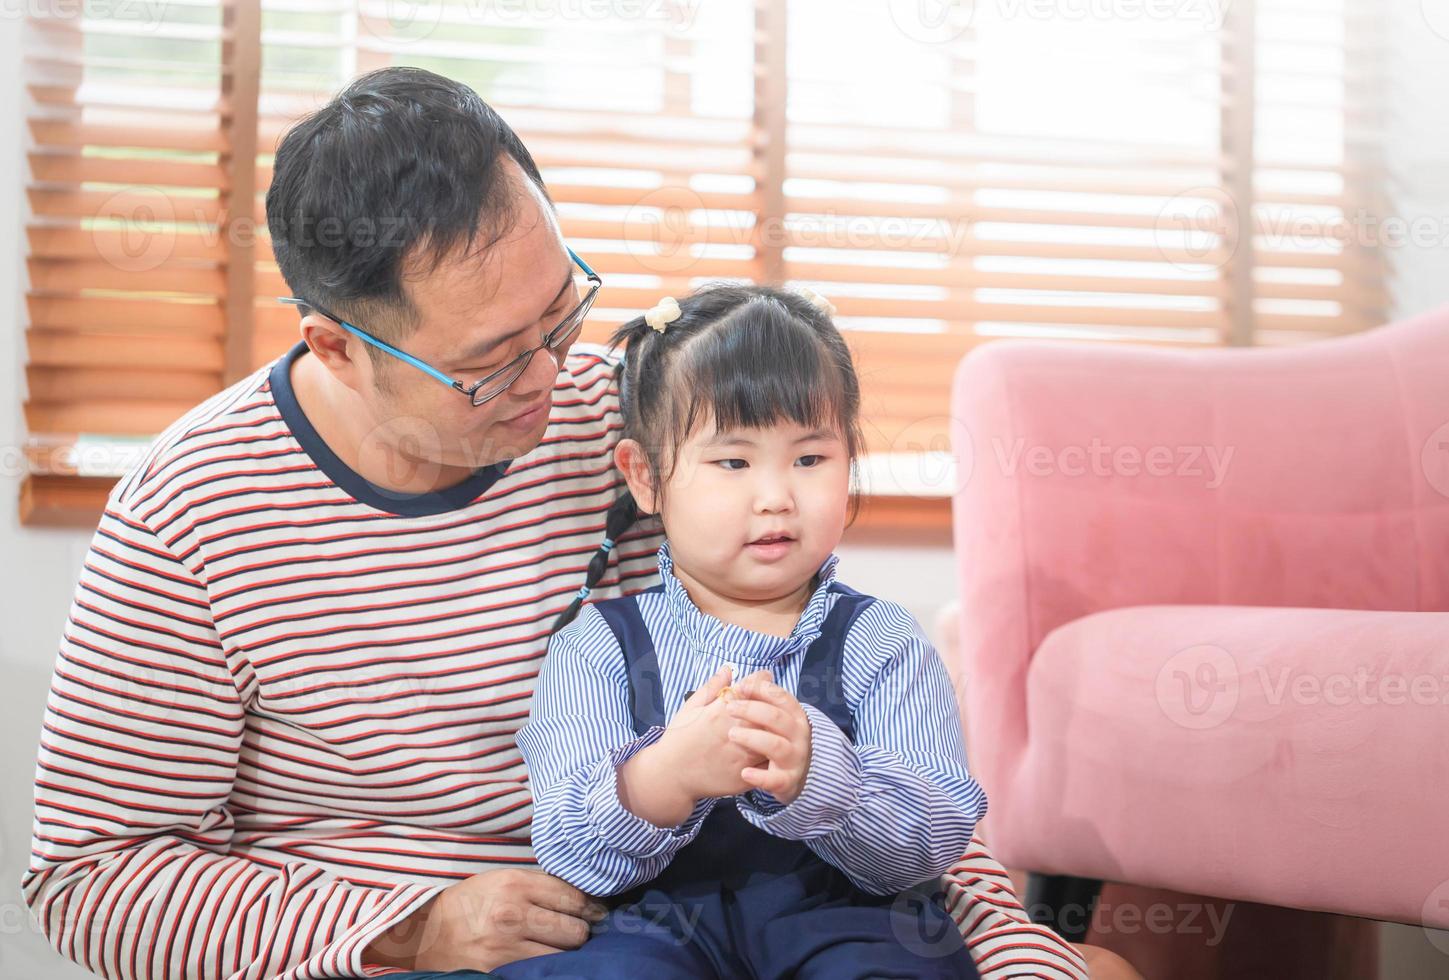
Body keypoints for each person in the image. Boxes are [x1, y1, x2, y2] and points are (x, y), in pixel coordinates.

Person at [20, 67, 1094, 980]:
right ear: (338, 347)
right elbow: (90, 874)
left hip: (700, 917)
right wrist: (412, 930)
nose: (554, 377)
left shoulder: (625, 427)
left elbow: (843, 717)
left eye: (562, 309)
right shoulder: (190, 514)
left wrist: (1019, 953)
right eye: (492, 363)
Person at [487, 284, 985, 979]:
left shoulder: (881, 638)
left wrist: (821, 777)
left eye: (809, 459)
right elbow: (572, 854)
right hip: (655, 921)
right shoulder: (597, 644)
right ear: (645, 477)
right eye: (733, 462)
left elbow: (932, 840)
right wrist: (662, 776)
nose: (776, 496)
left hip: (848, 920)